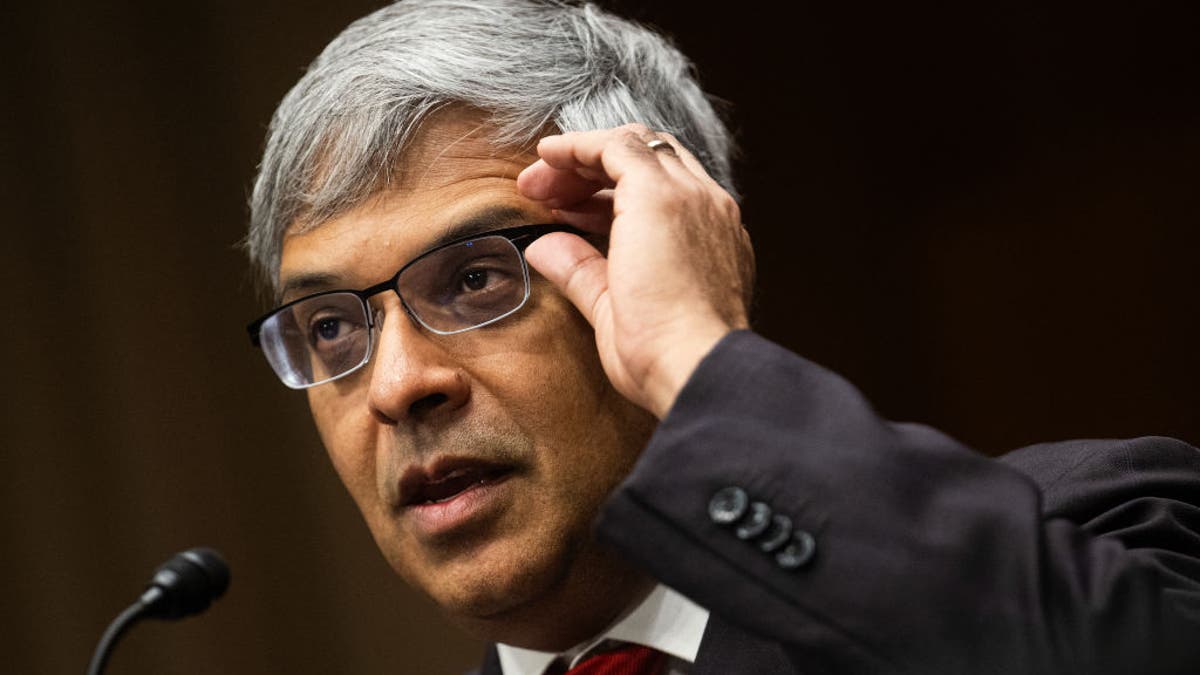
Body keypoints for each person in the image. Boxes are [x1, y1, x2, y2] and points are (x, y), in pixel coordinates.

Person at [242, 1, 1200, 673]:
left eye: (479, 276)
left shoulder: (1090, 528)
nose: (397, 384)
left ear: (666, 249)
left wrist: (698, 357)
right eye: (333, 326)